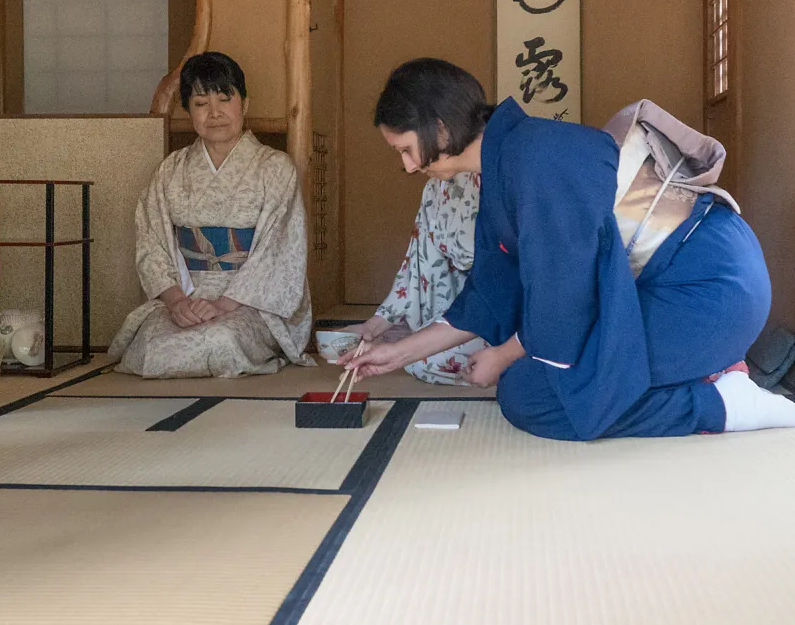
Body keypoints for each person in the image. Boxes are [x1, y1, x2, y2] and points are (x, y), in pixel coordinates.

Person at [343, 58, 795, 441]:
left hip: (708, 290)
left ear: (439, 129)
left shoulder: (536, 157)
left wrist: (502, 355)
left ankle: (720, 404)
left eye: (405, 149)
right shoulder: (510, 162)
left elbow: (566, 296)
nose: (406, 167)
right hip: (667, 286)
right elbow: (490, 294)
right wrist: (398, 353)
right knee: (532, 384)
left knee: (533, 396)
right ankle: (708, 374)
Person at [108, 52, 314, 378]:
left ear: (243, 104)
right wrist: (176, 302)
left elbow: (279, 251)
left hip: (251, 302)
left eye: (224, 99)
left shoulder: (274, 168)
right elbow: (152, 242)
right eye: (201, 103)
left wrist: (223, 305)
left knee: (221, 340)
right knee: (150, 345)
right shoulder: (171, 170)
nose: (214, 113)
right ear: (188, 110)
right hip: (188, 297)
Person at [339, 170, 485, 386]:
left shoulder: (498, 177)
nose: (409, 166)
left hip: (510, 313)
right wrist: (372, 328)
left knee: (425, 358)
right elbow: (418, 264)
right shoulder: (434, 188)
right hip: (467, 308)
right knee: (406, 347)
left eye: (407, 150)